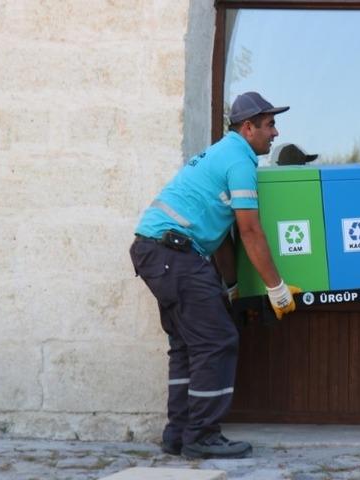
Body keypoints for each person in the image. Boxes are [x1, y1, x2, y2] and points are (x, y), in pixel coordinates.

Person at [129, 91, 301, 459]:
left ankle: (178, 434)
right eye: (269, 125)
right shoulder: (239, 161)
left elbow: (222, 236)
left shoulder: (221, 153)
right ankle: (203, 436)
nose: (275, 132)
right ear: (248, 126)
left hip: (159, 252)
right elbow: (250, 231)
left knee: (187, 346)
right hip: (174, 254)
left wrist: (233, 287)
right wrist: (277, 288)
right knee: (217, 341)